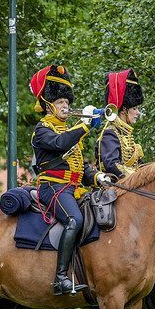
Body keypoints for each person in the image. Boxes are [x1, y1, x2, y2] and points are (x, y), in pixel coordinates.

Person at [29, 65, 110, 295]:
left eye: (67, 102)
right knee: (74, 219)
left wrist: (98, 177)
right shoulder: (42, 130)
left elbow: (81, 167)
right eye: (60, 102)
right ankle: (60, 278)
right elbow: (59, 144)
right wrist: (85, 125)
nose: (66, 106)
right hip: (52, 188)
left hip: (73, 189)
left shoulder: (69, 131)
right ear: (47, 104)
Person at [95, 69, 145, 179]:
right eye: (134, 108)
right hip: (112, 186)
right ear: (123, 110)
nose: (138, 113)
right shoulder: (110, 133)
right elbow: (112, 165)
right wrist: (137, 177)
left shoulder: (126, 134)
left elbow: (139, 166)